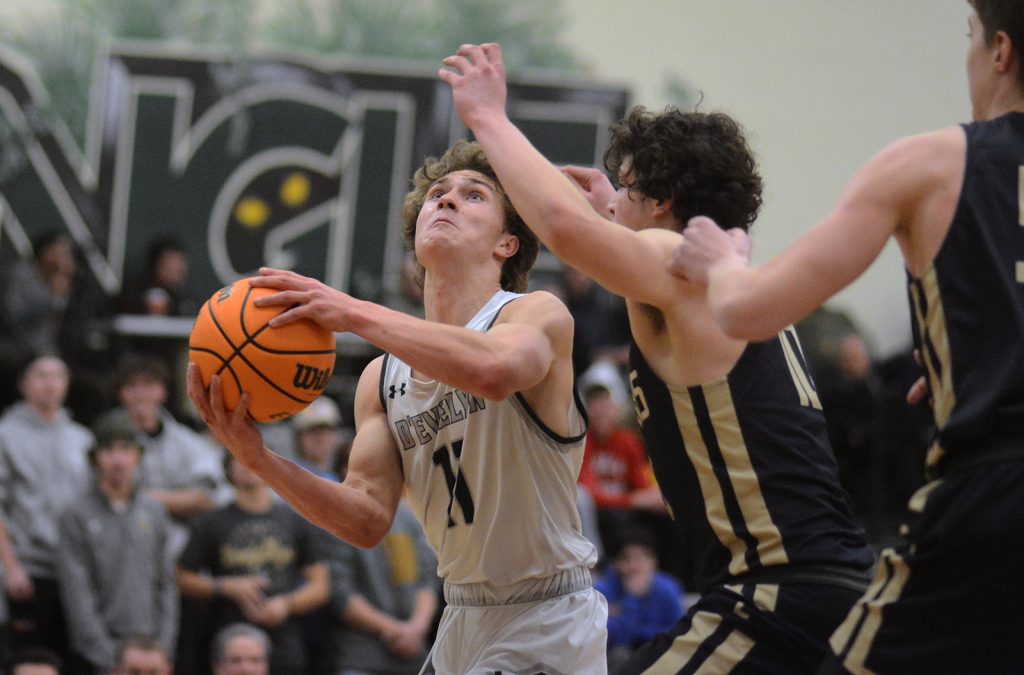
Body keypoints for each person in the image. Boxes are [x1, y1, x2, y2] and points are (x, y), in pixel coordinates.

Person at [440, 43, 875, 673]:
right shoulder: (718, 281)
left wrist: (488, 118)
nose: (614, 198)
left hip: (778, 590)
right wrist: (608, 212)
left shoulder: (677, 267)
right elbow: (599, 243)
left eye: (629, 188)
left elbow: (564, 229)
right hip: (818, 584)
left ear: (662, 201)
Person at [668, 2, 1024, 672]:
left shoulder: (932, 162)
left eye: (970, 40)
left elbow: (750, 312)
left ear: (1000, 51)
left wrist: (722, 264)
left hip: (990, 496)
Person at [187, 139, 608, 674]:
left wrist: (353, 312)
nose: (447, 201)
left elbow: (495, 372)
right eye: (437, 194)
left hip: (545, 614)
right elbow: (364, 520)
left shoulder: (535, 314)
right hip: (461, 613)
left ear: (507, 243)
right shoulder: (380, 379)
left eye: (473, 195)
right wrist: (260, 459)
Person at [175, 454, 330, 675]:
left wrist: (287, 604)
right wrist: (225, 587)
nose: (249, 463)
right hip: (229, 638)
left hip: (284, 640)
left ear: (272, 467)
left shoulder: (295, 520)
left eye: (255, 455)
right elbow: (181, 577)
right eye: (240, 458)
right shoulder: (211, 522)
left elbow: (321, 586)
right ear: (228, 470)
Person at [57, 410, 178, 674]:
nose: (118, 459)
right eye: (109, 449)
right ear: (95, 458)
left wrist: (163, 650)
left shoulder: (154, 511)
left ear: (138, 456)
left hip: (152, 650)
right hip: (101, 653)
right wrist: (109, 658)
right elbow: (77, 592)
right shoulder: (75, 514)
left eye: (126, 448)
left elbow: (167, 585)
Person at [0, 354, 93, 666]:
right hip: (27, 569)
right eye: (41, 375)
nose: (51, 384)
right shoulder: (6, 435)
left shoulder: (81, 438)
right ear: (23, 384)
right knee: (28, 659)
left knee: (73, 657)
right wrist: (10, 566)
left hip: (74, 570)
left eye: (58, 376)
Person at [112, 354, 231, 558]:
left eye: (148, 385)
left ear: (162, 392)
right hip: (121, 551)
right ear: (122, 394)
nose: (141, 394)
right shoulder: (107, 442)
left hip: (179, 553)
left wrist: (138, 497)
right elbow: (106, 498)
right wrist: (178, 501)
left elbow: (208, 499)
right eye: (132, 387)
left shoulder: (189, 442)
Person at [331, 496, 439, 675]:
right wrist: (397, 630)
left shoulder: (409, 516)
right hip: (362, 659)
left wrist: (417, 628)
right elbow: (340, 594)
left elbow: (428, 580)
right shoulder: (340, 518)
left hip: (416, 656)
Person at [595, 530, 685, 671]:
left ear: (653, 561)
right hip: (621, 656)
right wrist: (632, 598)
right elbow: (611, 639)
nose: (634, 567)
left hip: (658, 652)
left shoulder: (667, 587)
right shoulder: (603, 590)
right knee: (620, 655)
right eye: (626, 559)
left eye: (640, 558)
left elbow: (677, 633)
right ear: (616, 563)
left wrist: (625, 616)